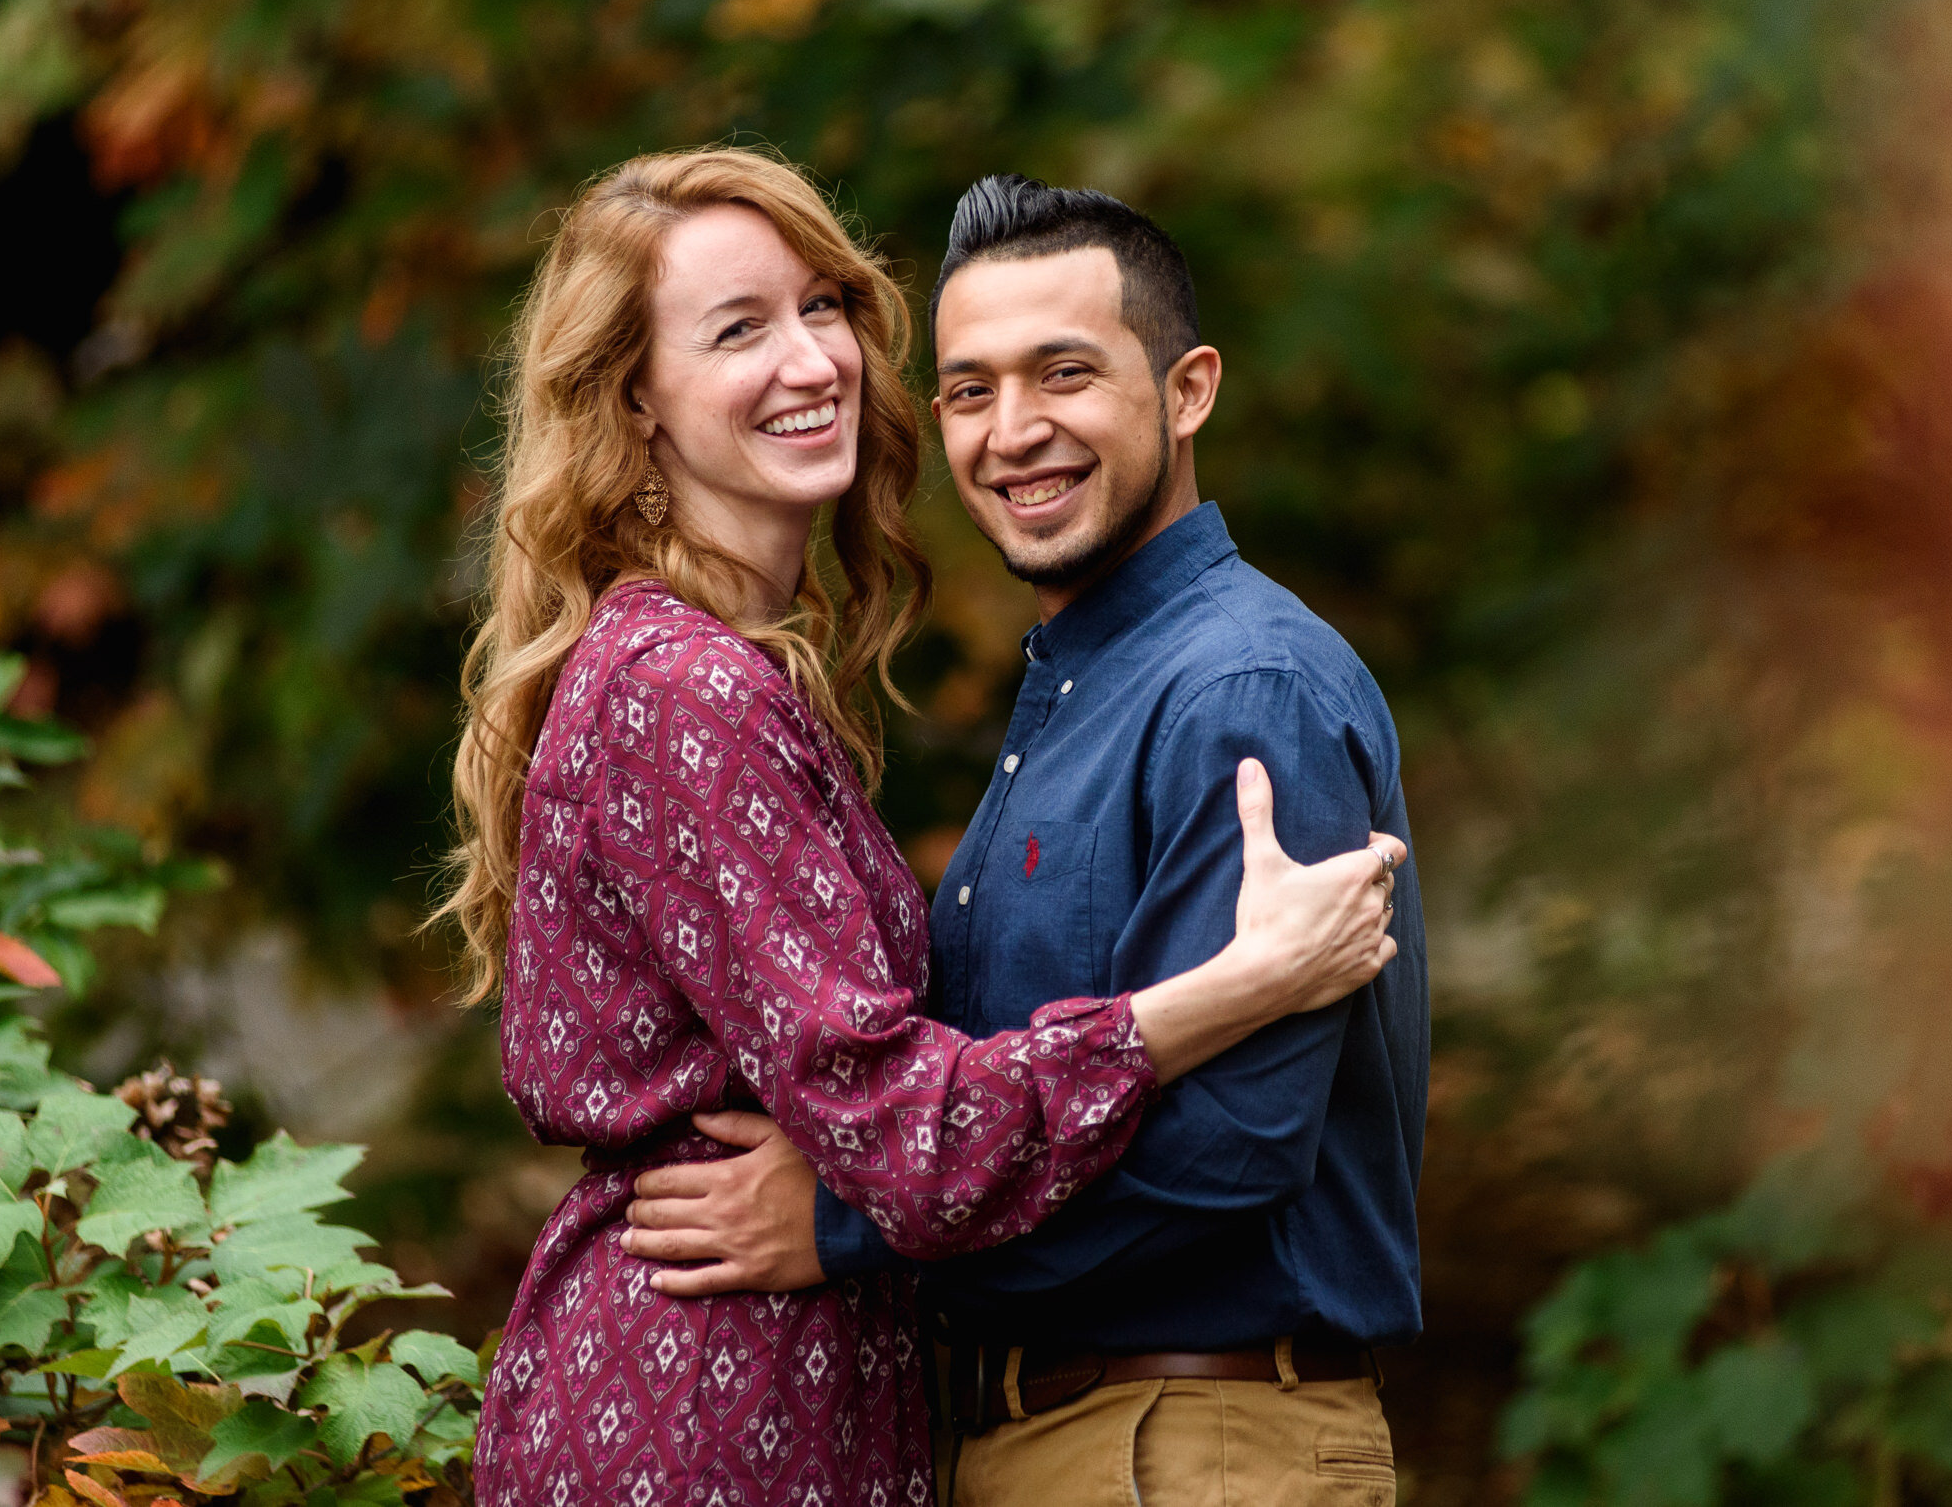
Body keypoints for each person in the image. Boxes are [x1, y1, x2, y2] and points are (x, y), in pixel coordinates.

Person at [434, 147, 1407, 1505]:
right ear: (634, 403)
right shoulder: (694, 688)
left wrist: (844, 1227)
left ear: (1187, 391)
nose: (812, 358)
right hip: (724, 1412)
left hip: (1165, 1438)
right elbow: (904, 1128)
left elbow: (1228, 1149)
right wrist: (1233, 989)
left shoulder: (1231, 685)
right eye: (738, 327)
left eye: (823, 306)